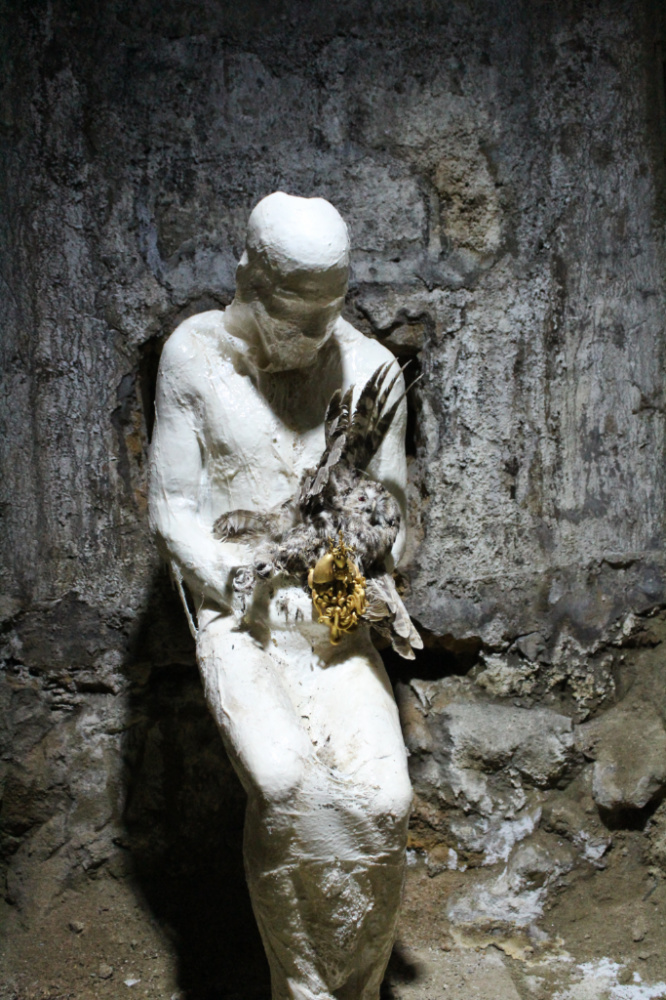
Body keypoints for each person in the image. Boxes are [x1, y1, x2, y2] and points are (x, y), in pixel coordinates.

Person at [149, 192, 413, 1000]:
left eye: (325, 315)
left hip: (332, 592)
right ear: (247, 280)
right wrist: (239, 579)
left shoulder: (371, 368)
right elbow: (174, 507)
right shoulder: (192, 358)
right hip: (238, 600)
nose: (309, 336)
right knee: (284, 781)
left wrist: (361, 552)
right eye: (290, 315)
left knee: (384, 799)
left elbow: (392, 518)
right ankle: (295, 986)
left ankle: (358, 989)